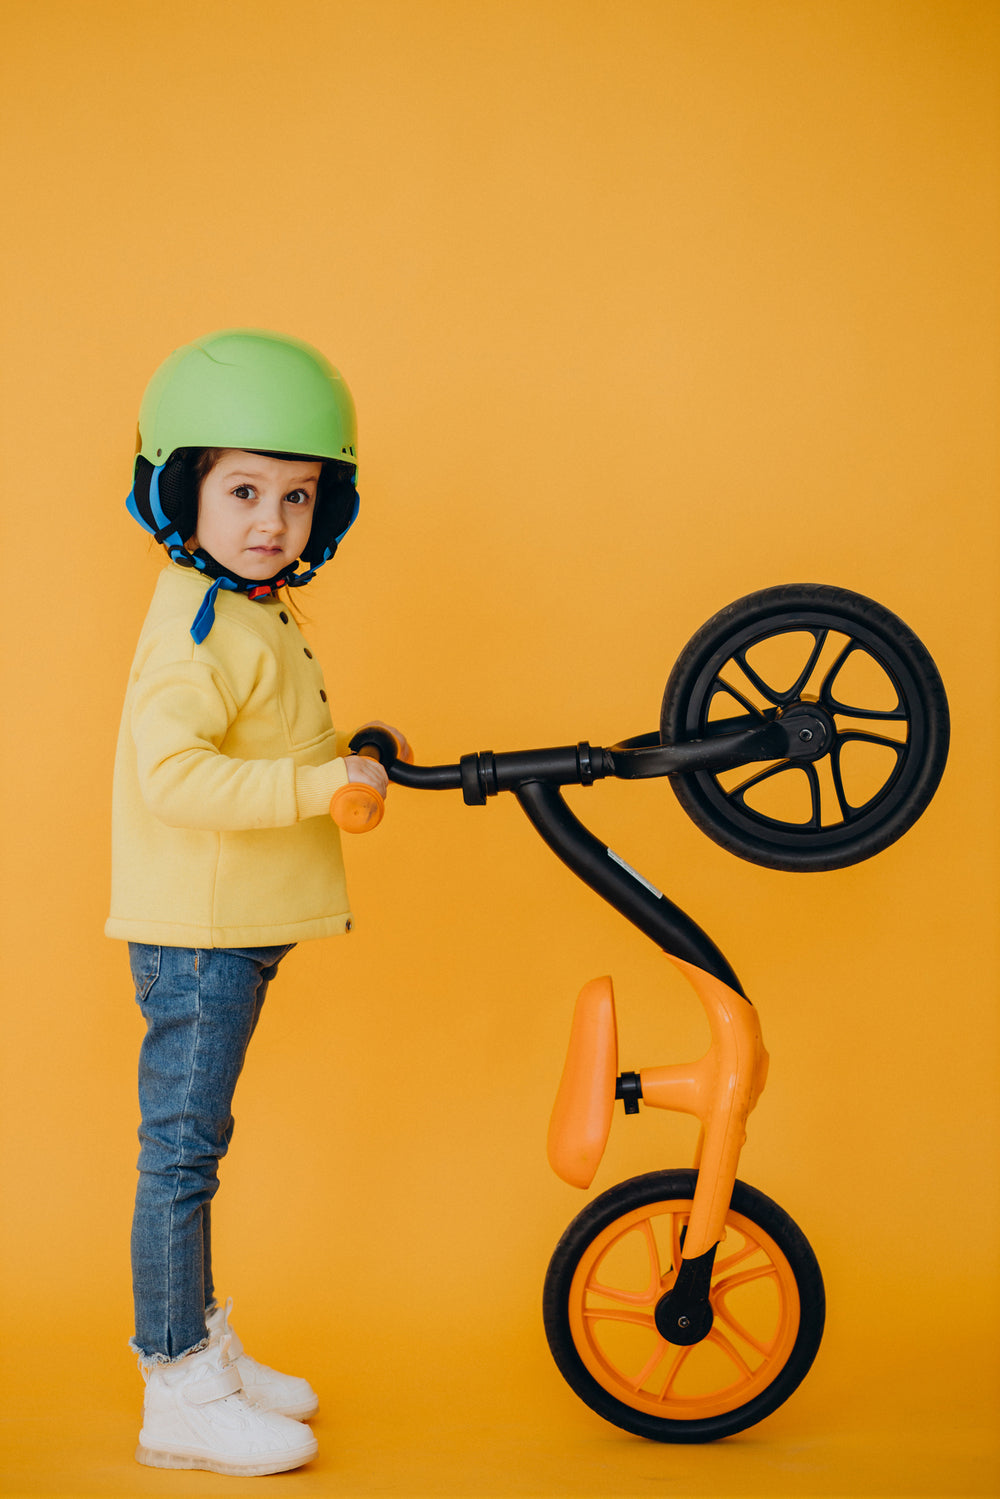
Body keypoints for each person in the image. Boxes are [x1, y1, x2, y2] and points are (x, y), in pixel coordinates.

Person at [107, 328, 409, 1477]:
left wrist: (356, 755)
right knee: (180, 1156)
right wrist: (320, 783)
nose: (271, 519)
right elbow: (172, 776)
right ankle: (176, 1382)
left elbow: (280, 736)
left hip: (236, 928)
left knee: (198, 1148)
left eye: (297, 493)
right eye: (242, 490)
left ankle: (205, 1352)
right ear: (181, 489)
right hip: (197, 935)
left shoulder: (249, 605)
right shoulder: (195, 625)